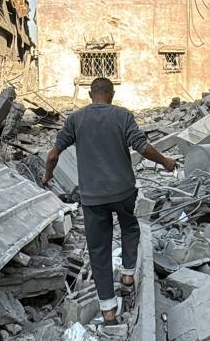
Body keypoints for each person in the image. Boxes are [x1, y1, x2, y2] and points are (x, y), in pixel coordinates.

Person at [43, 77, 177, 324]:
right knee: (130, 226)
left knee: (99, 250)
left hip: (93, 198)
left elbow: (53, 155)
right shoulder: (123, 116)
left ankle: (108, 311)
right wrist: (166, 162)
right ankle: (127, 274)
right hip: (123, 191)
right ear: (112, 94)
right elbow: (142, 147)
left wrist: (47, 176)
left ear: (89, 94)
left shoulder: (76, 119)